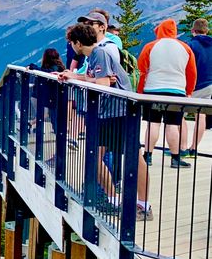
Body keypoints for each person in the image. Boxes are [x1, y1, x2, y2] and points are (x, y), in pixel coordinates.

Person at [60, 23, 152, 220]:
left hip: (119, 112)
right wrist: (73, 76)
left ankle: (143, 205)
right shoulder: (93, 56)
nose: (71, 47)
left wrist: (82, 79)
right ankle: (115, 200)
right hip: (108, 112)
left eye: (71, 43)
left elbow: (103, 83)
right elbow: (95, 77)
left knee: (133, 157)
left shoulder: (100, 54)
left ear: (77, 42)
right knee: (94, 156)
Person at [138, 18, 197, 168]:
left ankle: (147, 156)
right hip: (176, 91)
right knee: (172, 125)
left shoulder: (151, 46)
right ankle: (175, 158)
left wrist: (140, 92)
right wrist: (188, 91)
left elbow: (142, 70)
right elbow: (191, 73)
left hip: (153, 90)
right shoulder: (185, 48)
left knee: (153, 124)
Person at [186, 18, 212, 156]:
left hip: (192, 85)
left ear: (193, 31)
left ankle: (180, 148)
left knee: (179, 115)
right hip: (209, 84)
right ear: (206, 30)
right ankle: (194, 148)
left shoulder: (190, 45)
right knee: (201, 116)